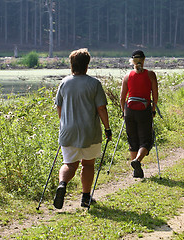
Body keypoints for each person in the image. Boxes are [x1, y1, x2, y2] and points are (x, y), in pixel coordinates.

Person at [53, 48, 112, 209]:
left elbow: (58, 106)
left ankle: (62, 184)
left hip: (68, 131)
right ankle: (85, 198)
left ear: (72, 65)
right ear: (87, 65)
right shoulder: (94, 84)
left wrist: (64, 122)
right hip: (89, 132)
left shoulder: (64, 83)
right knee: (88, 164)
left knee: (69, 164)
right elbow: (101, 108)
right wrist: (107, 128)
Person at [120, 50, 158, 178]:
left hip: (129, 110)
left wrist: (124, 111)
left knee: (133, 140)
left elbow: (122, 98)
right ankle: (137, 161)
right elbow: (155, 95)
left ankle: (136, 170)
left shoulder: (127, 76)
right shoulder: (151, 75)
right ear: (144, 59)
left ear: (132, 61)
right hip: (144, 109)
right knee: (146, 140)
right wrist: (153, 109)